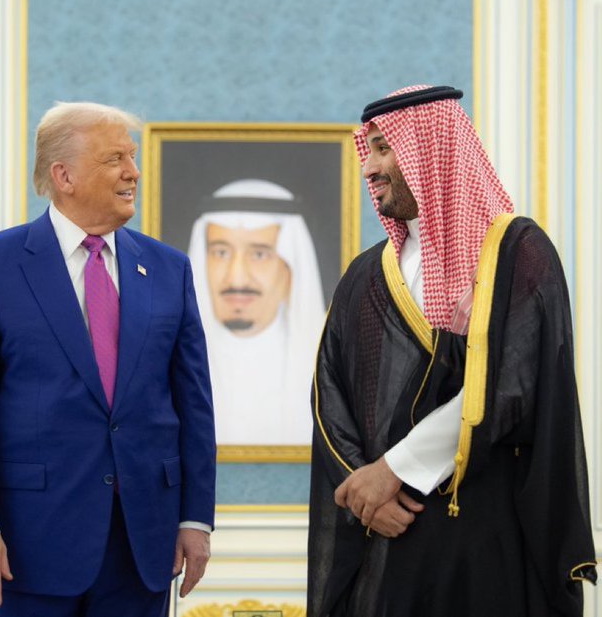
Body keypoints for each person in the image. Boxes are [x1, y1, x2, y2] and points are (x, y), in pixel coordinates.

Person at [307, 85, 597, 617]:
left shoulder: (518, 253)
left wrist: (393, 470)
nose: (369, 167)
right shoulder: (364, 274)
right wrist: (365, 490)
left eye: (384, 148)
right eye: (368, 150)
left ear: (428, 148)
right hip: (384, 541)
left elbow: (511, 386)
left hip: (485, 538)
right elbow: (330, 393)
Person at [0, 102, 216, 617]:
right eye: (115, 159)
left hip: (143, 543)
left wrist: (195, 519)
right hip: (26, 546)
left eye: (132, 157)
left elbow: (194, 404)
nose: (133, 172)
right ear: (63, 176)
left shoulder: (168, 268)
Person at [187, 179, 325, 445]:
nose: (237, 277)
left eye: (259, 254)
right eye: (221, 252)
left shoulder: (328, 374)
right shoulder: (170, 365)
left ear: (291, 267)